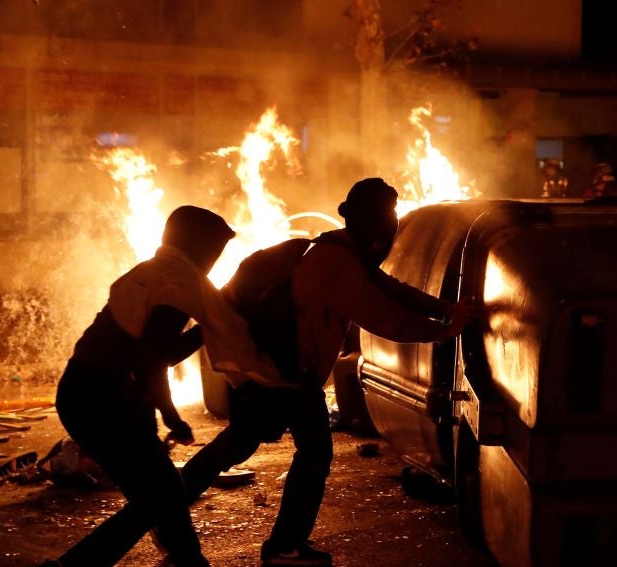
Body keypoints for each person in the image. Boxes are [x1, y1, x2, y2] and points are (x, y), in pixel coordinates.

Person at [179, 177, 474, 567]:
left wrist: (444, 308)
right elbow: (382, 316)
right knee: (311, 453)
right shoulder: (339, 262)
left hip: (275, 370)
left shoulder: (338, 248)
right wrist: (444, 330)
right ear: (377, 223)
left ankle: (168, 512)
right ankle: (281, 546)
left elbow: (391, 289)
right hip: (284, 376)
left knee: (240, 445)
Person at [44, 205, 275, 567]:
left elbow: (152, 352)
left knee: (161, 488)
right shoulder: (178, 280)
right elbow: (154, 357)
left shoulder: (155, 270)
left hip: (94, 392)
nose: (215, 260)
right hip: (104, 399)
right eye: (215, 250)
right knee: (158, 497)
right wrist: (171, 415)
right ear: (197, 246)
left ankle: (187, 558)